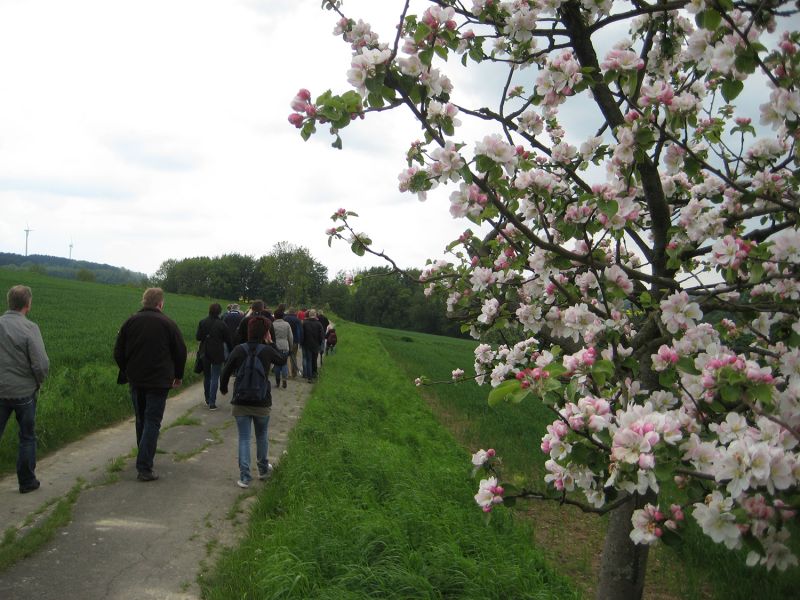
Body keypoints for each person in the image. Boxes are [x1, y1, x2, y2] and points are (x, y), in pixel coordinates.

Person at [114, 287, 187, 482]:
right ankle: (145, 466)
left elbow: (118, 351)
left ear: (144, 301)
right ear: (160, 304)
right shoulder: (168, 324)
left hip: (136, 380)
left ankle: (143, 457)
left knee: (141, 420)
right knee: (152, 421)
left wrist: (127, 370)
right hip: (159, 382)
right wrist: (178, 375)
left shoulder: (130, 322)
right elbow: (180, 351)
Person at [219, 316, 286, 488]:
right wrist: (271, 342)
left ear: (249, 330)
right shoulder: (267, 351)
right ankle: (263, 470)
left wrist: (224, 388)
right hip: (262, 401)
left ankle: (245, 477)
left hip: (240, 400)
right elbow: (282, 360)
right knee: (262, 436)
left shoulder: (239, 349)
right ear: (265, 332)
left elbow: (225, 371)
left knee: (244, 438)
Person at [0, 285, 49, 494]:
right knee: (27, 436)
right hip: (24, 393)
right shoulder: (30, 328)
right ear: (27, 305)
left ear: (9, 302)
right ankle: (27, 482)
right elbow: (41, 364)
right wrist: (39, 381)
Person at [196, 303, 233, 410]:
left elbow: (198, 337)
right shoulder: (222, 324)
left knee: (207, 376)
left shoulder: (202, 322)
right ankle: (212, 403)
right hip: (217, 352)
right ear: (220, 312)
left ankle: (207, 399)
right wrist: (231, 351)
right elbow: (228, 340)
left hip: (205, 352)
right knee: (215, 377)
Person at [271, 309, 293, 389]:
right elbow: (290, 337)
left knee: (277, 363)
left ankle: (277, 381)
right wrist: (290, 347)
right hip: (285, 346)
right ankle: (284, 379)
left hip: (275, 346)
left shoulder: (272, 324)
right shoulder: (287, 324)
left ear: (275, 316)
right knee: (284, 363)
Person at [301, 309, 324, 383]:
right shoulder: (319, 324)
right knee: (314, 360)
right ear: (315, 315)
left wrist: (302, 343)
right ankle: (314, 374)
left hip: (307, 344)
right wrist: (319, 344)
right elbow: (321, 336)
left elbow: (302, 334)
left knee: (309, 360)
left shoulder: (305, 323)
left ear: (309, 315)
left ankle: (309, 377)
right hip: (315, 345)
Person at [283, 307, 303, 378]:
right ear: (295, 312)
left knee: (285, 356)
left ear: (289, 312)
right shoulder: (297, 320)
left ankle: (286, 372)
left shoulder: (285, 319)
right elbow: (300, 331)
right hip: (295, 341)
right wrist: (300, 341)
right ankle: (294, 373)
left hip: (285, 340)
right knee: (293, 356)